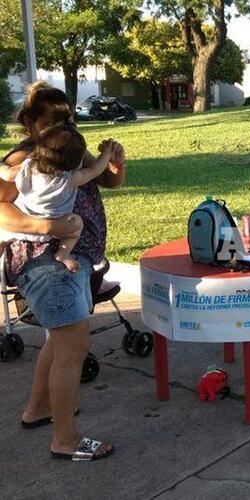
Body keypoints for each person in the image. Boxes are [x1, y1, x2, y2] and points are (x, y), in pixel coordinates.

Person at [1, 81, 126, 461]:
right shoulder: (22, 157)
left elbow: (107, 179)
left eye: (69, 116)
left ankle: (38, 410)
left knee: (60, 340)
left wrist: (115, 161)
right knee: (74, 341)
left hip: (73, 259)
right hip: (43, 260)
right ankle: (66, 440)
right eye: (57, 118)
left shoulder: (71, 144)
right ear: (32, 122)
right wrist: (50, 228)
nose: (66, 124)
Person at [0, 122, 114, 272]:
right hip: (56, 229)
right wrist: (106, 153)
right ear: (76, 162)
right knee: (77, 223)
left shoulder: (28, 167)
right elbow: (95, 170)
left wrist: (2, 165)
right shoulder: (70, 179)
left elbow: (7, 174)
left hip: (21, 226)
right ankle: (63, 253)